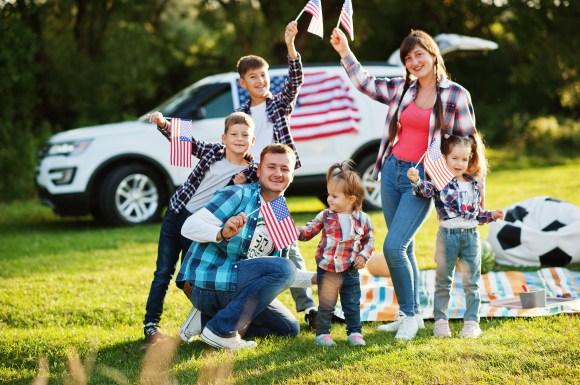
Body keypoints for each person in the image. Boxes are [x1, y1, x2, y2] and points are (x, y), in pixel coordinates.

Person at [330, 28, 482, 340]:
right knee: (407, 247)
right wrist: (345, 50)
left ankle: (412, 314)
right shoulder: (403, 89)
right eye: (408, 57)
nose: (414, 61)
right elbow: (366, 84)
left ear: (433, 54)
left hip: (423, 179)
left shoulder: (455, 95)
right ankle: (409, 313)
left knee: (393, 247)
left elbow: (469, 144)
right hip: (392, 171)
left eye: (419, 54)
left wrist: (470, 192)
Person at [142, 111, 257, 345]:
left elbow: (264, 187)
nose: (239, 138)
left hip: (201, 227)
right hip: (177, 214)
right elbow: (187, 143)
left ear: (252, 141)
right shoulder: (213, 151)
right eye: (234, 134)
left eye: (245, 135)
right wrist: (164, 123)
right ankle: (151, 326)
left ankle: (209, 321)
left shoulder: (250, 173)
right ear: (224, 138)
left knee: (191, 277)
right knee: (163, 271)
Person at [234, 20, 319, 327]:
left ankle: (308, 307)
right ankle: (239, 300)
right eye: (253, 77)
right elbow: (237, 148)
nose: (261, 81)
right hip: (250, 189)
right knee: (248, 242)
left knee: (286, 242)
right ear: (243, 82)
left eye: (264, 75)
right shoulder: (241, 115)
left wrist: (290, 45)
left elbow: (295, 81)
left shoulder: (278, 107)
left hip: (273, 188)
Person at [176, 143, 301, 350]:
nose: (278, 173)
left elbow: (281, 274)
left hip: (240, 287)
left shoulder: (280, 212)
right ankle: (220, 330)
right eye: (271, 167)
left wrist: (322, 278)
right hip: (210, 284)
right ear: (259, 171)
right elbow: (188, 227)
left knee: (288, 328)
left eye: (285, 169)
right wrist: (221, 233)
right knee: (285, 267)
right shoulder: (238, 194)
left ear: (292, 175)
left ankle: (206, 322)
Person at [407, 134, 504, 338]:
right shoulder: (441, 181)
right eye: (454, 158)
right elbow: (426, 190)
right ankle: (441, 322)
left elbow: (476, 215)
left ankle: (471, 322)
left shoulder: (474, 184)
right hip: (447, 237)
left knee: (472, 281)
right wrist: (417, 181)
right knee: (443, 280)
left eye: (464, 159)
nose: (459, 163)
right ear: (445, 158)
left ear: (469, 160)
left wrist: (492, 215)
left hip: (471, 237)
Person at [296, 161, 375, 347]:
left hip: (350, 269)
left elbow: (369, 239)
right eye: (329, 194)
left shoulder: (363, 219)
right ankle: (322, 334)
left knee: (351, 303)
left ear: (351, 199)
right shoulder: (325, 216)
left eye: (334, 196)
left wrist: (363, 255)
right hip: (328, 268)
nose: (329, 199)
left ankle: (354, 332)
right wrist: (293, 230)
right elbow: (308, 231)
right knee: (326, 304)